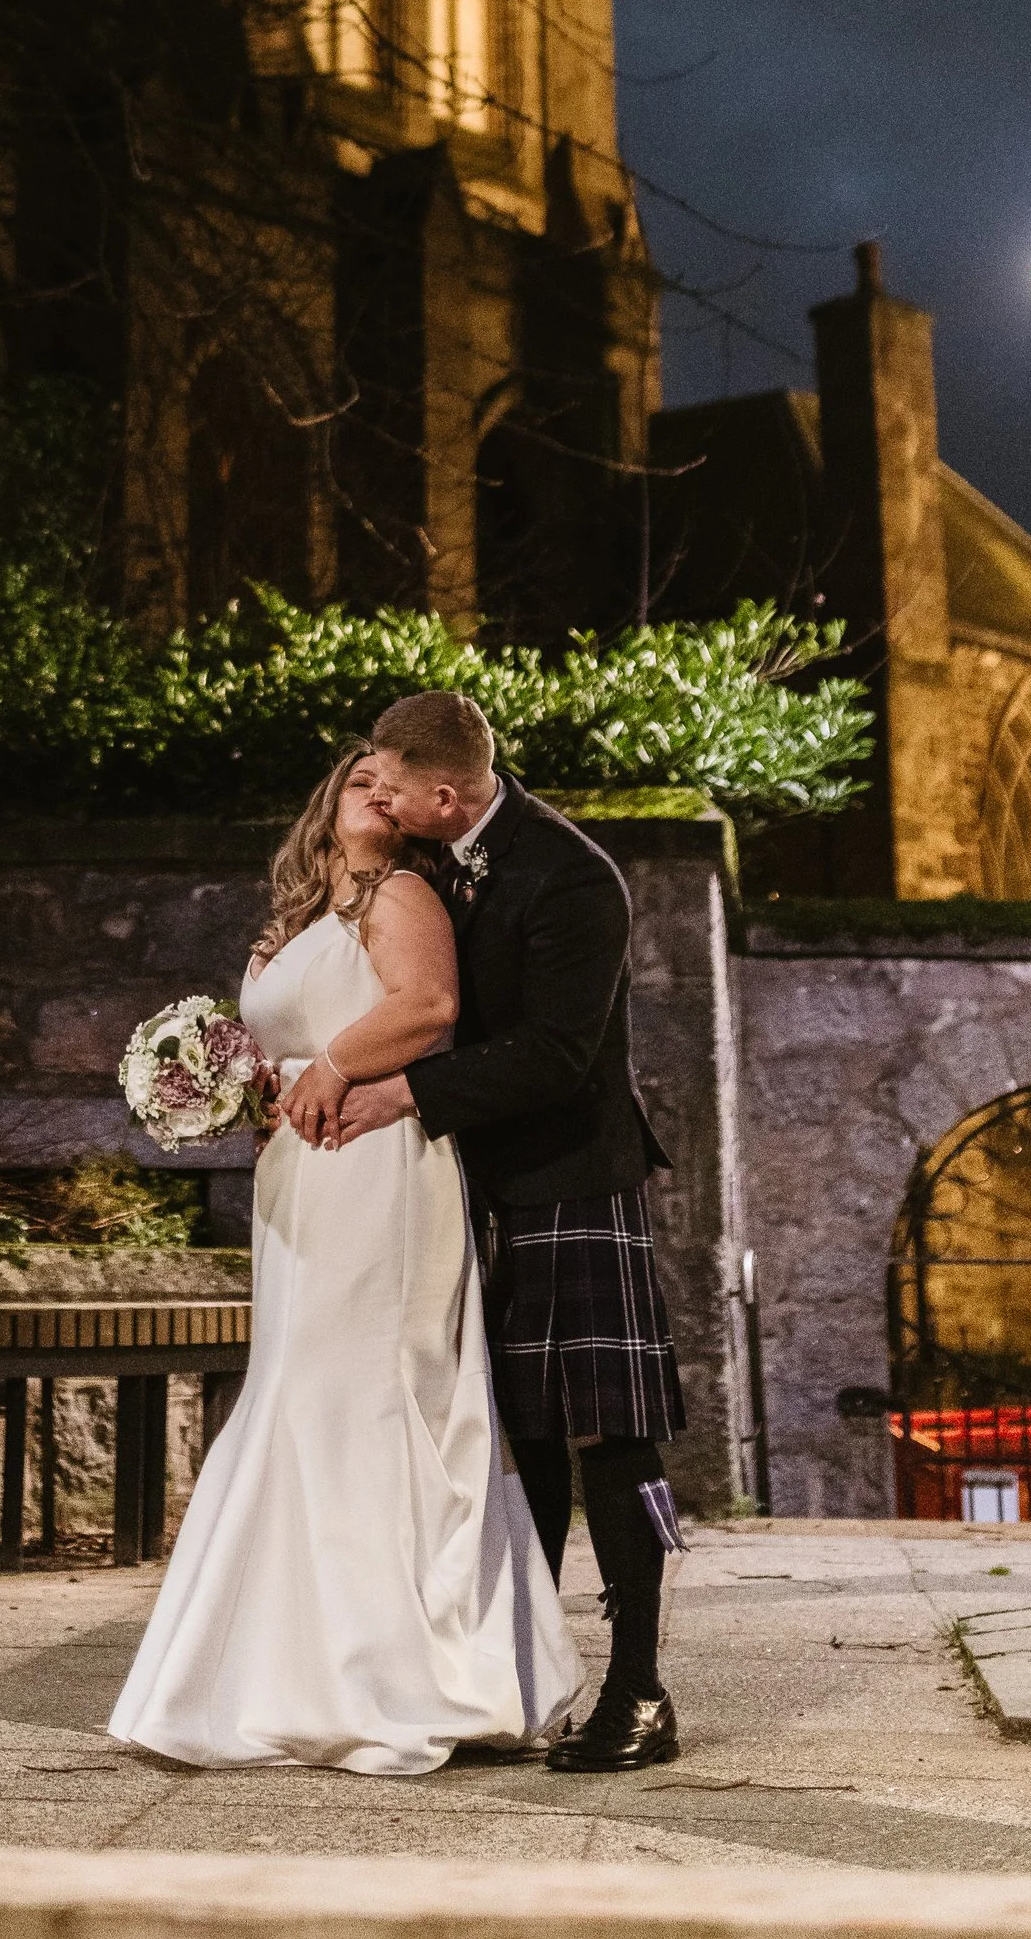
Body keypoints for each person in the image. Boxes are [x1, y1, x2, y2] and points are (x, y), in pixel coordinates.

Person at [106, 744, 574, 1775]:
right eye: (356, 779)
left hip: (378, 1163)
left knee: (360, 1389)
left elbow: (425, 1011)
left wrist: (325, 1066)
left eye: (386, 785)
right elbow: (282, 1040)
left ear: (407, 812)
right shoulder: (295, 922)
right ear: (328, 799)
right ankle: (290, 1675)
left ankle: (408, 1676)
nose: (371, 792)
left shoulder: (401, 895)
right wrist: (227, 1090)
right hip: (300, 1175)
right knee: (295, 1392)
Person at [291, 686, 687, 1772]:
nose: (379, 797)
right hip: (459, 1189)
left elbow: (559, 1054)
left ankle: (641, 1687)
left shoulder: (572, 878)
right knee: (516, 1444)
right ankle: (523, 1673)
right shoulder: (425, 866)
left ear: (447, 792)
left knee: (609, 1432)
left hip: (568, 1181)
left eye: (395, 788)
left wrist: (401, 1094)